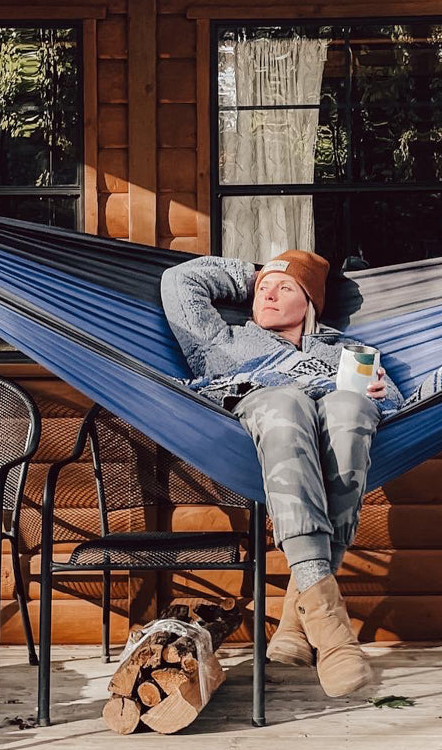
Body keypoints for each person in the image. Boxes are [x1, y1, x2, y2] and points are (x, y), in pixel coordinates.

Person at [160, 249, 402, 698]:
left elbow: (395, 404)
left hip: (325, 446)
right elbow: (179, 281)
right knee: (286, 400)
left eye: (285, 287)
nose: (268, 294)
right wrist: (257, 273)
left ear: (310, 303)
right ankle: (332, 635)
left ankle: (295, 623)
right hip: (255, 433)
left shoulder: (347, 353)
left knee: (351, 407)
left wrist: (381, 395)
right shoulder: (221, 340)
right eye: (262, 290)